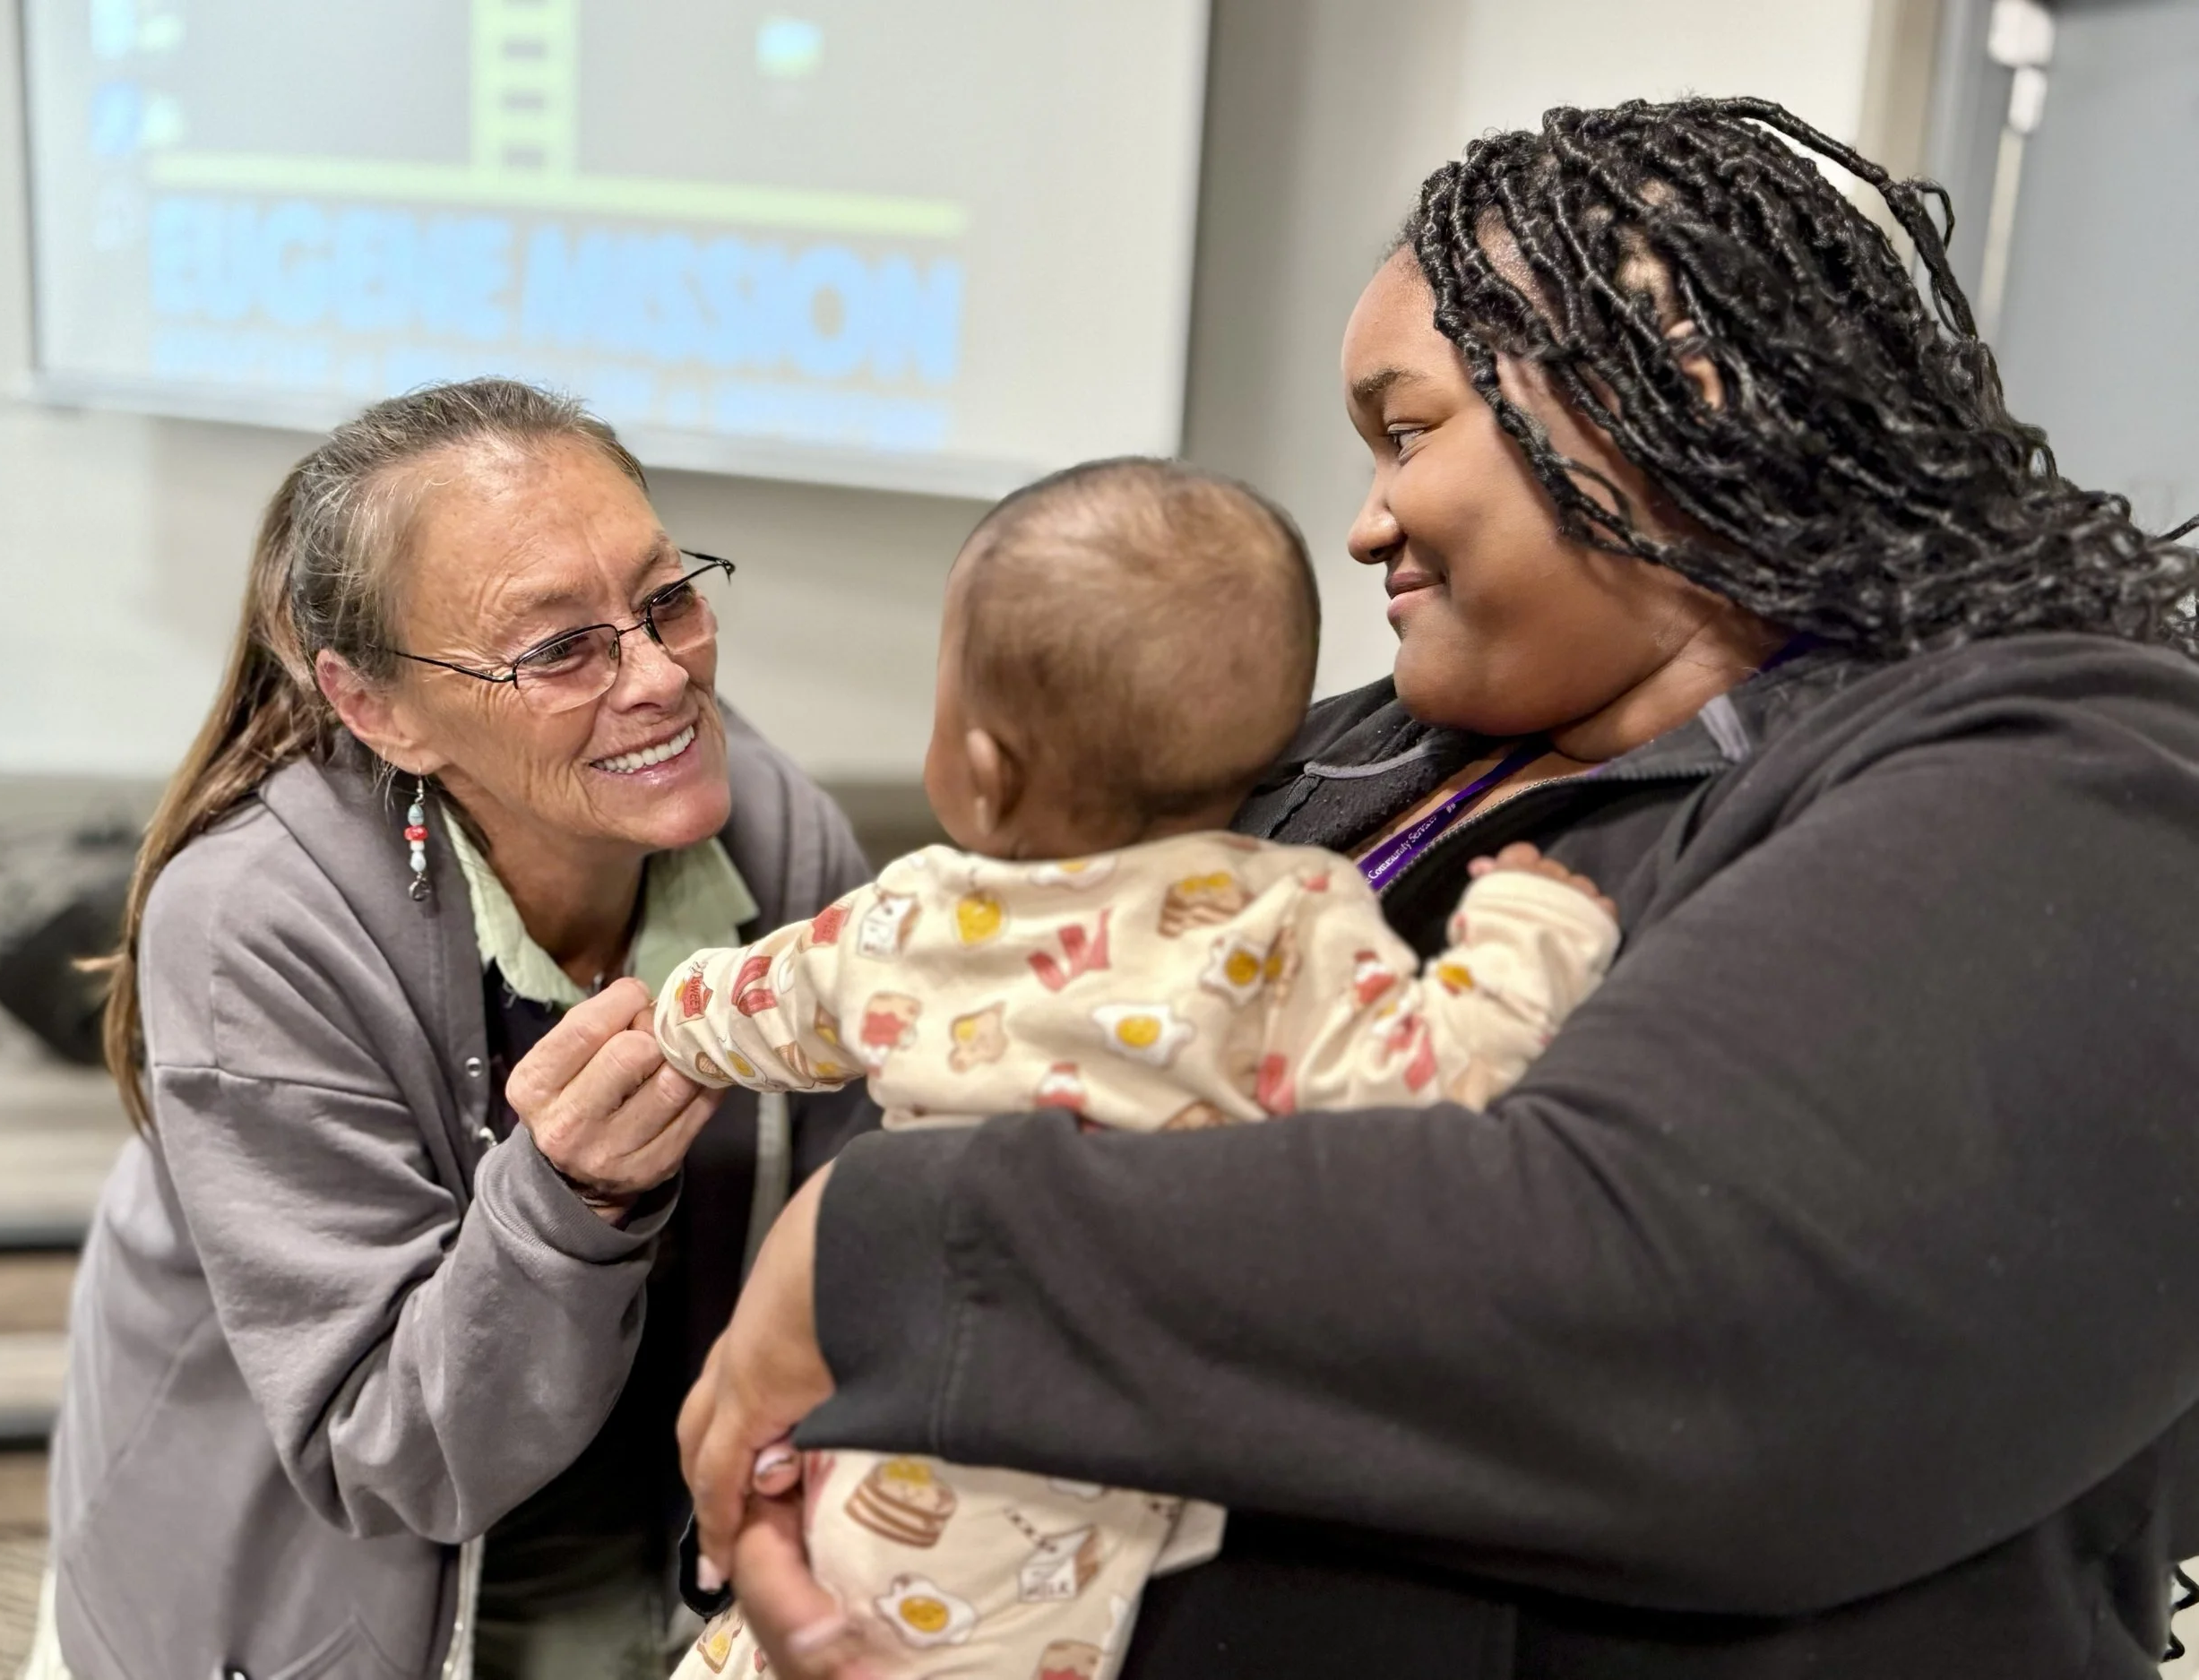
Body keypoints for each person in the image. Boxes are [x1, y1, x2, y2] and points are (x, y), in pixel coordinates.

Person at [651, 98, 2199, 1678]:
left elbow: (1657, 1310)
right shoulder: (1353, 752)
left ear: (1674, 380)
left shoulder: (2067, 772)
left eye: (1407, 432)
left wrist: (896, 1250)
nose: (1366, 520)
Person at [651, 458, 1619, 1678]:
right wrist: (1533, 928)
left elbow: (750, 1005)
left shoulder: (913, 915)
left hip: (881, 1390)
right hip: (1097, 1458)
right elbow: (1438, 1073)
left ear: (985, 769)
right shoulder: (1294, 923)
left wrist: (661, 1018)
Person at [37, 379, 876, 1680]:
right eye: (560, 648)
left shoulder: (777, 831)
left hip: (643, 1551)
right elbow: (394, 1458)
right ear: (377, 709)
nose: (662, 678)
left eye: (667, 599)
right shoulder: (256, 921)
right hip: (313, 1598)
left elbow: (848, 1256)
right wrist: (572, 1204)